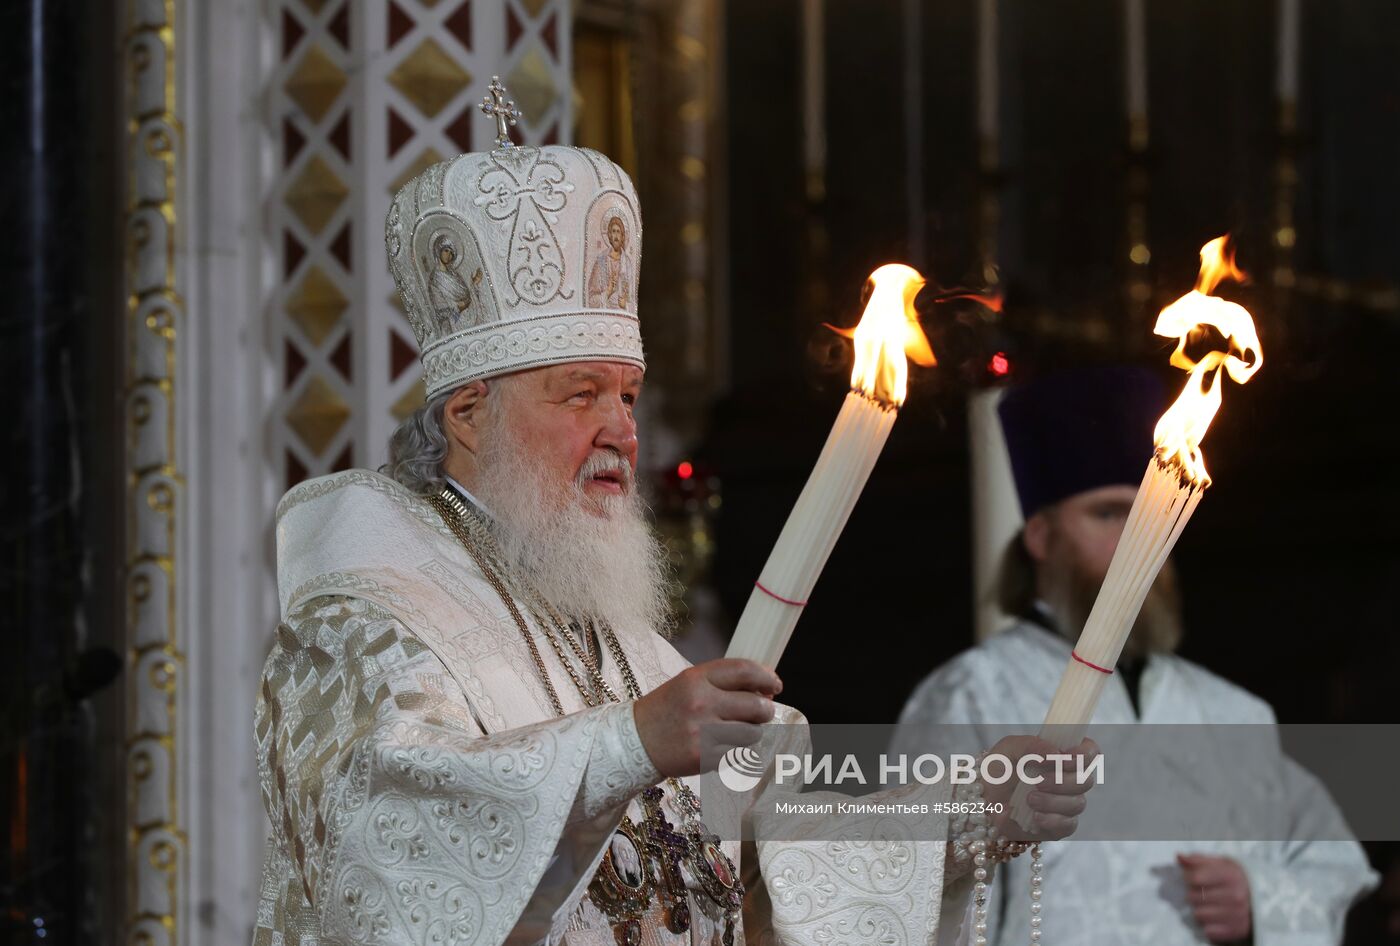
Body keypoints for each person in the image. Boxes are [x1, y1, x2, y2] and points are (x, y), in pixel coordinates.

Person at [252, 101, 1097, 946]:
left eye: (627, 393)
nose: (620, 428)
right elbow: (392, 854)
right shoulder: (372, 615)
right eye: (581, 394)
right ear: (471, 416)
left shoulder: (625, 643)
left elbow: (767, 871)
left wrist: (965, 814)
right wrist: (630, 742)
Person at [897, 366, 1378, 946]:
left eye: (1151, 514)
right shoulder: (970, 695)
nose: (1139, 537)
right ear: (1042, 538)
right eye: (1108, 513)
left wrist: (1260, 899)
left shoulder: (1235, 713)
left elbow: (1335, 867)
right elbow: (907, 885)